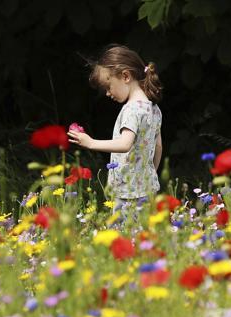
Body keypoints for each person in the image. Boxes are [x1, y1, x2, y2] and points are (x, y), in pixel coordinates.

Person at [67, 44, 163, 215]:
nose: (107, 93)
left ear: (126, 76)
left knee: (124, 237)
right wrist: (150, 174)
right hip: (148, 189)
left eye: (108, 86)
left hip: (127, 193)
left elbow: (125, 144)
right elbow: (158, 147)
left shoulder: (131, 110)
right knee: (145, 237)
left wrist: (91, 143)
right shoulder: (154, 109)